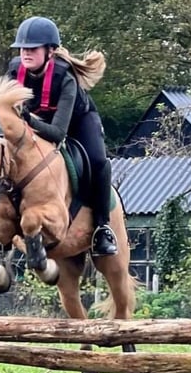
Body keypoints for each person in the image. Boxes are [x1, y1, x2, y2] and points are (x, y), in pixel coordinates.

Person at [6, 15, 117, 256]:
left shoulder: (65, 78)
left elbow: (57, 133)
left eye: (33, 48)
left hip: (78, 123)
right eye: (23, 48)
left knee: (98, 162)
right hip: (36, 122)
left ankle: (102, 227)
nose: (26, 53)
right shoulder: (14, 71)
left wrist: (26, 119)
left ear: (50, 51)